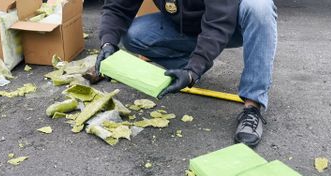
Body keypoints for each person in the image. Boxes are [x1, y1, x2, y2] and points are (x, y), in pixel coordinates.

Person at [95, 0, 277, 147]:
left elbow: (218, 23)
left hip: (231, 22)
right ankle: (193, 66)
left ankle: (253, 105)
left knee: (259, 7)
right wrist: (108, 43)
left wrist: (193, 70)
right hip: (185, 27)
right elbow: (117, 6)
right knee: (135, 35)